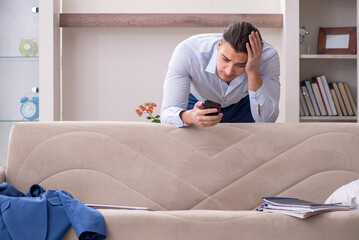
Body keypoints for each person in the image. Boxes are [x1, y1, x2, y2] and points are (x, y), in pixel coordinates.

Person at [160, 22, 280, 127]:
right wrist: (190, 116)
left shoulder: (268, 57)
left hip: (243, 105)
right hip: (198, 102)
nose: (228, 71)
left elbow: (266, 121)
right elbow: (167, 114)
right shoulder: (188, 52)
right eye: (225, 59)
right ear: (219, 46)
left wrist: (253, 71)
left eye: (240, 64)